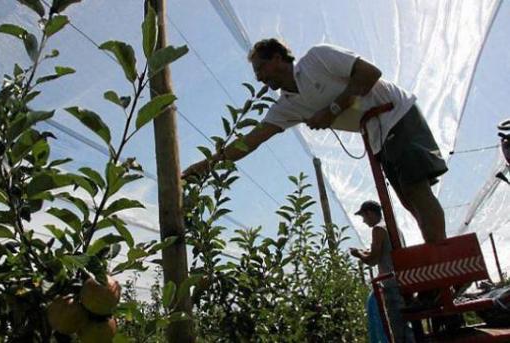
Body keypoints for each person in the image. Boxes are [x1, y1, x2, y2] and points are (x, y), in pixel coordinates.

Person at [182, 38, 448, 244]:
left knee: (416, 191)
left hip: (397, 113)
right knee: (407, 200)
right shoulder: (287, 105)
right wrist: (205, 166)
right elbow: (251, 141)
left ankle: (444, 266)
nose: (259, 77)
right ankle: (439, 267)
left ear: (277, 57)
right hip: (377, 135)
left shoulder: (317, 59)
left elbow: (370, 73)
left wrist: (331, 110)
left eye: (261, 67)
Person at [350, 200, 415, 343]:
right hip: (402, 281)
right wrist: (364, 252)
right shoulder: (393, 228)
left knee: (398, 328)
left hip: (391, 284)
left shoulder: (378, 229)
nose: (364, 221)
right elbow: (383, 252)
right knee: (407, 326)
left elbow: (373, 259)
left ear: (370, 213)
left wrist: (358, 254)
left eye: (364, 217)